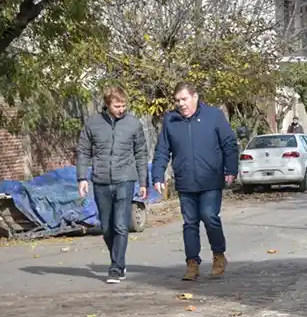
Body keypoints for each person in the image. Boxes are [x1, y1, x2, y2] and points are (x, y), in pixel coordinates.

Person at [151, 81, 239, 281]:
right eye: (177, 100)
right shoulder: (170, 121)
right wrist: (157, 175)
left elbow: (229, 144)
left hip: (210, 178)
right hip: (185, 180)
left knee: (209, 216)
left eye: (184, 99)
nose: (181, 104)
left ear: (195, 97)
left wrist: (231, 169)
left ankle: (218, 255)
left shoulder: (213, 116)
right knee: (190, 222)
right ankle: (192, 263)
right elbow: (162, 150)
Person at [76, 86, 148, 284]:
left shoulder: (133, 124)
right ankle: (117, 260)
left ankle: (116, 267)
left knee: (120, 225)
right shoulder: (93, 124)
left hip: (125, 179)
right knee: (107, 227)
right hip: (100, 180)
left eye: (124, 105)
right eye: (117, 106)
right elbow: (83, 151)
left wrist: (143, 181)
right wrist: (82, 178)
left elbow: (141, 153)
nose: (121, 109)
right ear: (107, 105)